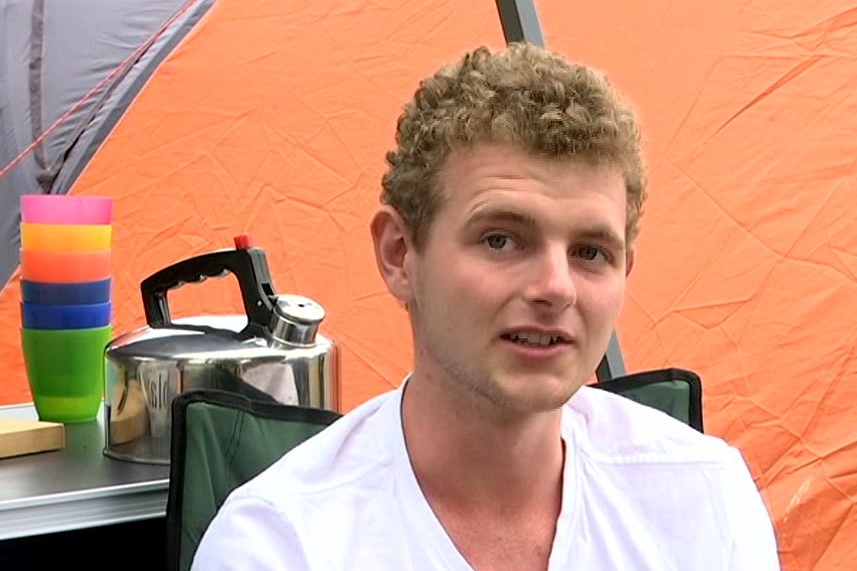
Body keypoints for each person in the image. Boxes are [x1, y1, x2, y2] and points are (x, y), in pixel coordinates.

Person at [191, 43, 781, 570]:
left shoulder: (704, 500)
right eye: (501, 239)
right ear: (401, 255)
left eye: (590, 251)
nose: (557, 287)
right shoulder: (282, 544)